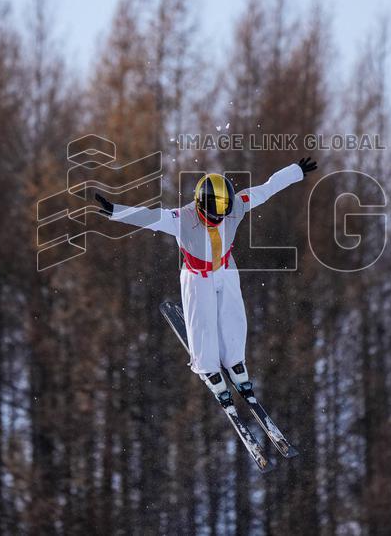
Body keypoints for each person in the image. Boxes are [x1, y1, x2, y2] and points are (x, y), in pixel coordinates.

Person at [95, 157, 317, 404]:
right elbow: (150, 218)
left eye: (225, 209)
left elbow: (265, 189)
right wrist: (115, 211)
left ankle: (234, 361)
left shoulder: (237, 207)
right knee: (203, 322)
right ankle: (208, 367)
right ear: (201, 206)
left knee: (233, 317)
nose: (221, 216)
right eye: (216, 211)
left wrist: (294, 171)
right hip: (197, 277)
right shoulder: (181, 218)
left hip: (225, 269)